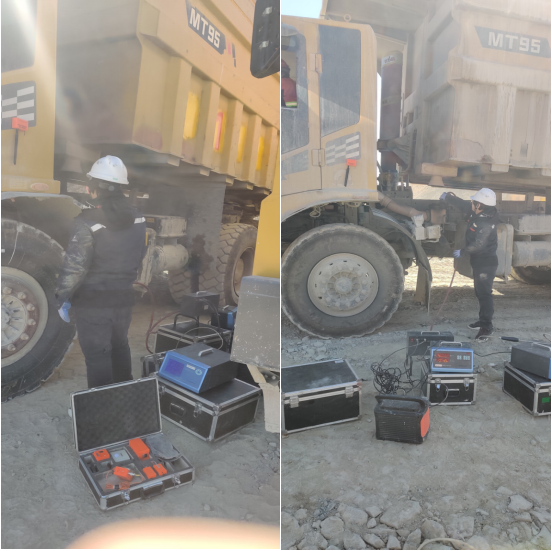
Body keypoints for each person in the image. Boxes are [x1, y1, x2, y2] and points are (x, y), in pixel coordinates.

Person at [55, 155, 147, 388]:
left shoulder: (87, 222)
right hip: (124, 298)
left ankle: (101, 405)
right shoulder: (139, 218)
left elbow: (75, 266)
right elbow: (140, 253)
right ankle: (124, 395)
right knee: (120, 346)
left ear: (92, 188)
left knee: (97, 355)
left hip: (93, 303)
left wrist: (62, 297)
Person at [440, 188, 500, 341]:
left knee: (484, 294)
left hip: (486, 264)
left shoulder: (486, 223)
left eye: (473, 202)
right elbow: (463, 205)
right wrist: (448, 198)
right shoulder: (481, 211)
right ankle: (482, 321)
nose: (471, 204)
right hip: (480, 262)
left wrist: (463, 251)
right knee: (480, 292)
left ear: (479, 205)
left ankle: (486, 327)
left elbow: (479, 244)